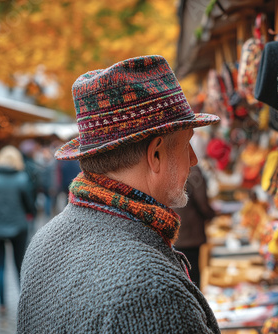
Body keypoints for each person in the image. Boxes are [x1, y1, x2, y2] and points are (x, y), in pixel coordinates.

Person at [17, 55, 221, 333]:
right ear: (156, 154)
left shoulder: (44, 240)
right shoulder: (153, 292)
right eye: (187, 145)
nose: (194, 159)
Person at [0, 145, 35, 311]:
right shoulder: (22, 178)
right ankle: (24, 303)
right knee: (19, 266)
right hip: (18, 227)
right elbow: (29, 205)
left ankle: (1, 304)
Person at [174, 165, 216, 289]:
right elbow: (202, 203)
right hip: (190, 236)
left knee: (183, 276)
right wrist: (211, 215)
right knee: (193, 276)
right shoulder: (192, 171)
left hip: (175, 232)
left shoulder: (168, 168)